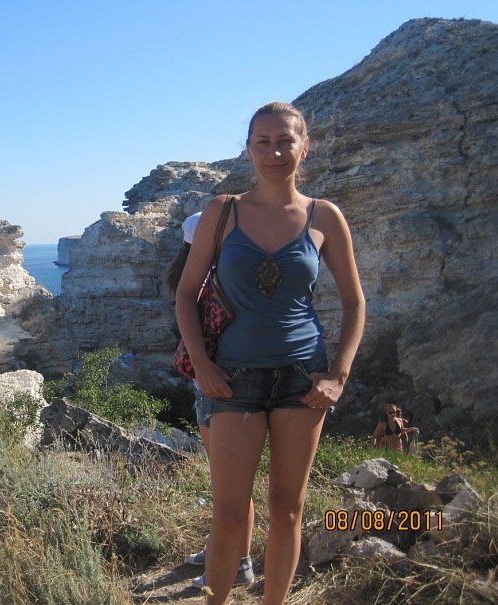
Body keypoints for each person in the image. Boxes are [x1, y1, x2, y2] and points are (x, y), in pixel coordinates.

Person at [175, 101, 365, 605]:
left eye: (285, 141)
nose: (274, 152)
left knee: (287, 511)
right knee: (229, 516)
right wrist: (202, 365)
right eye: (263, 142)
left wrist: (338, 375)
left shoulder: (325, 216)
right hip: (232, 377)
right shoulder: (222, 212)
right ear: (249, 150)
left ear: (305, 147)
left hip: (303, 376)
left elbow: (354, 302)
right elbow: (186, 294)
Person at [164, 212, 255, 590]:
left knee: (229, 480)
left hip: (215, 381)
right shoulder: (213, 276)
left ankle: (238, 561)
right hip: (214, 380)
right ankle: (224, 548)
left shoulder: (189, 277)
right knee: (226, 479)